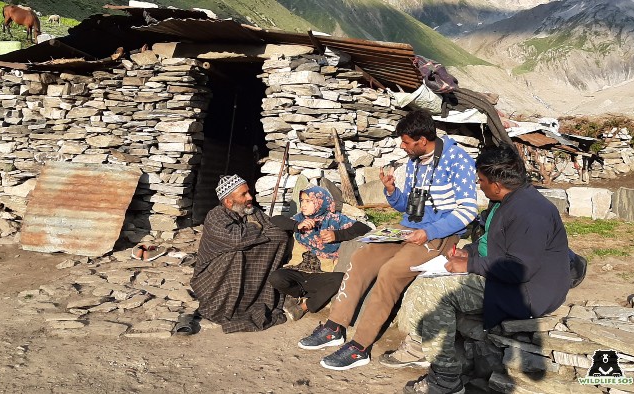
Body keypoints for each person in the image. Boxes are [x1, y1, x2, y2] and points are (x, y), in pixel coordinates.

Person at [297, 109, 479, 371]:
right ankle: (335, 327)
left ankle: (360, 346)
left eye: (406, 142)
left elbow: (467, 210)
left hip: (440, 234)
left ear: (422, 140)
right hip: (408, 228)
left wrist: (429, 232)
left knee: (391, 271)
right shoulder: (417, 161)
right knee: (362, 257)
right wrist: (392, 191)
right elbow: (409, 206)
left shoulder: (457, 161)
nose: (402, 146)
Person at [396, 144, 570, 394]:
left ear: (497, 185)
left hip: (527, 292)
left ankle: (445, 380)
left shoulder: (530, 213)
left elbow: (519, 269)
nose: (479, 185)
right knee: (428, 280)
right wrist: (471, 252)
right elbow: (493, 241)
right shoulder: (508, 200)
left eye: (481, 181)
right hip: (509, 278)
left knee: (433, 293)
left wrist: (469, 264)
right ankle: (421, 345)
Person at [191, 174, 288, 333]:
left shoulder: (253, 212)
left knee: (277, 238)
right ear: (228, 202)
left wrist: (255, 232)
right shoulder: (215, 216)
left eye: (248, 192)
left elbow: (276, 232)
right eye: (244, 194)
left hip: (241, 272)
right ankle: (228, 306)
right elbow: (236, 239)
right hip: (211, 279)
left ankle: (252, 298)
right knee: (236, 255)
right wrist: (256, 228)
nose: (250, 197)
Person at [269, 186, 371, 321]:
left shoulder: (334, 219)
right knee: (276, 277)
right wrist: (296, 226)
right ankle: (297, 296)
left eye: (308, 201)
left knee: (340, 279)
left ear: (320, 201)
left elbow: (364, 228)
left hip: (321, 275)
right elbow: (274, 220)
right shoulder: (299, 219)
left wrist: (337, 234)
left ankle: (304, 306)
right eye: (302, 201)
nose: (303, 205)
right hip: (297, 272)